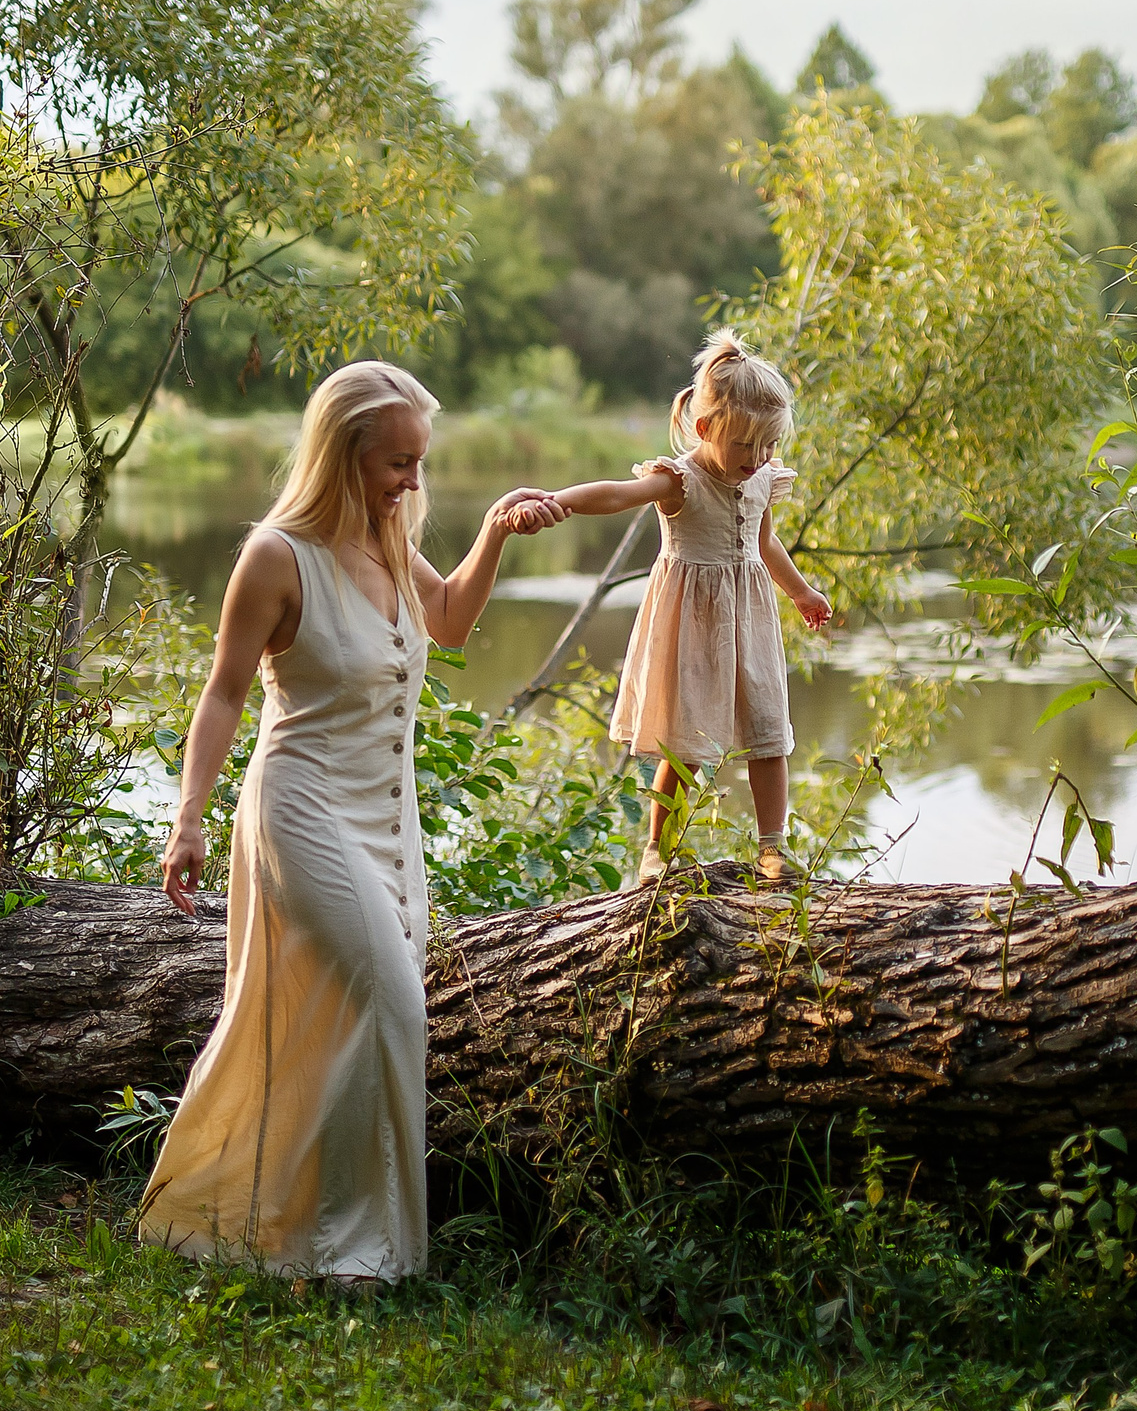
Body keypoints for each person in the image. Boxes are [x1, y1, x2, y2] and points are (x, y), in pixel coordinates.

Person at [141, 361, 565, 1286]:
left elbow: (448, 619)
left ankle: (321, 1230)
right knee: (391, 998)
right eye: (397, 463)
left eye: (421, 462)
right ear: (342, 455)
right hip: (300, 805)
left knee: (357, 1015)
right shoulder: (276, 556)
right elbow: (222, 695)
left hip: (385, 814)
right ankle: (350, 1252)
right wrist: (188, 820)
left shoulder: (384, 539)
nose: (414, 482)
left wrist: (493, 531)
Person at [511, 329, 830, 887]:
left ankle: (773, 849)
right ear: (706, 429)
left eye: (768, 448)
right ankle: (659, 852)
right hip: (690, 623)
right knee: (684, 745)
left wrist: (800, 591)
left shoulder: (761, 480)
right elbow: (615, 493)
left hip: (750, 621)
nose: (757, 460)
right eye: (744, 447)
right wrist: (556, 502)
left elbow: (763, 543)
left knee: (769, 732)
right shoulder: (679, 479)